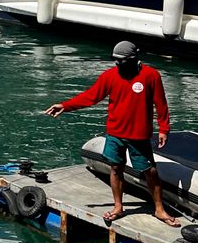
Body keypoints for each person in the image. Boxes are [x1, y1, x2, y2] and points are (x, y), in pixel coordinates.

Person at [45, 41, 176, 226]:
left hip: (139, 135)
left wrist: (164, 129)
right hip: (115, 133)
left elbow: (161, 104)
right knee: (116, 168)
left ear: (133, 58)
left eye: (121, 61)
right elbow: (91, 96)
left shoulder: (151, 75)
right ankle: (118, 206)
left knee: (150, 171)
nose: (117, 64)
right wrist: (65, 106)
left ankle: (159, 209)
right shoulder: (109, 76)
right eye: (115, 60)